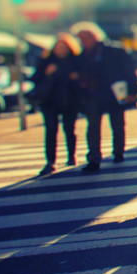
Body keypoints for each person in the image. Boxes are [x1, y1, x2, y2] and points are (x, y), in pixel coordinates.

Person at [72, 22, 137, 173]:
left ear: (94, 36)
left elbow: (130, 71)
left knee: (117, 124)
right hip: (93, 95)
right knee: (93, 127)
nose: (83, 42)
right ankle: (94, 158)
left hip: (115, 93)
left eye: (85, 38)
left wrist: (133, 92)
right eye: (80, 39)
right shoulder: (81, 56)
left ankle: (118, 152)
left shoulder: (114, 50)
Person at [34, 34, 83, 176]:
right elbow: (35, 78)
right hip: (49, 101)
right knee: (50, 130)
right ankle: (50, 161)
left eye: (64, 47)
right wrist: (47, 73)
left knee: (70, 129)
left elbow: (82, 80)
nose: (60, 50)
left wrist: (76, 77)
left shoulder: (75, 61)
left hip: (70, 100)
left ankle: (71, 156)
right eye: (58, 47)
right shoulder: (46, 61)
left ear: (70, 48)